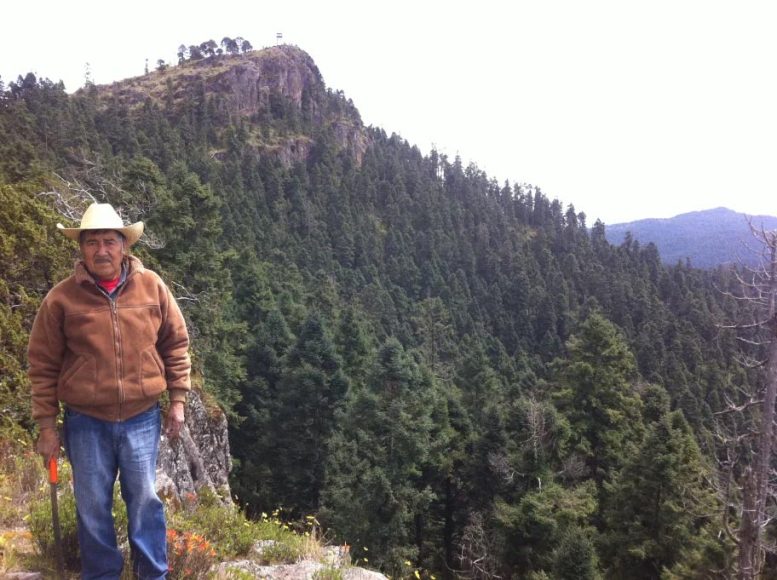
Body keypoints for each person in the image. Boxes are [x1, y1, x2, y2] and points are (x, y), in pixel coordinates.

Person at [28, 202, 191, 579]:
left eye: (109, 241)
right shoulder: (61, 299)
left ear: (124, 246)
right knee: (92, 505)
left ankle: (152, 574)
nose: (101, 250)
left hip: (142, 417)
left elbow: (176, 344)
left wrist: (178, 400)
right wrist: (47, 426)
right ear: (81, 249)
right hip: (86, 421)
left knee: (145, 501)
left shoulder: (152, 286)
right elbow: (42, 365)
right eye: (92, 242)